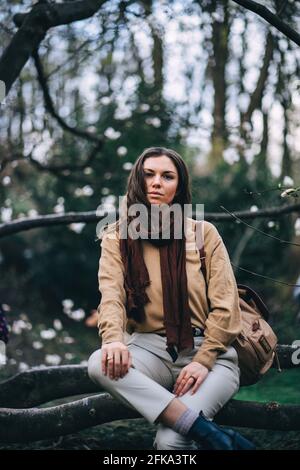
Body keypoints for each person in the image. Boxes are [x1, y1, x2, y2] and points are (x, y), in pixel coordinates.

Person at [88, 147, 255, 450]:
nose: (156, 182)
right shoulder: (116, 238)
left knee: (170, 442)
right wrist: (113, 340)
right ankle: (212, 435)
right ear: (137, 180)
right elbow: (110, 296)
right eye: (148, 174)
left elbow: (227, 308)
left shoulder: (203, 233)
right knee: (99, 363)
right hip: (150, 350)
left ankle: (194, 428)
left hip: (210, 353)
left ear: (179, 186)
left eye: (167, 176)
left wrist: (204, 361)